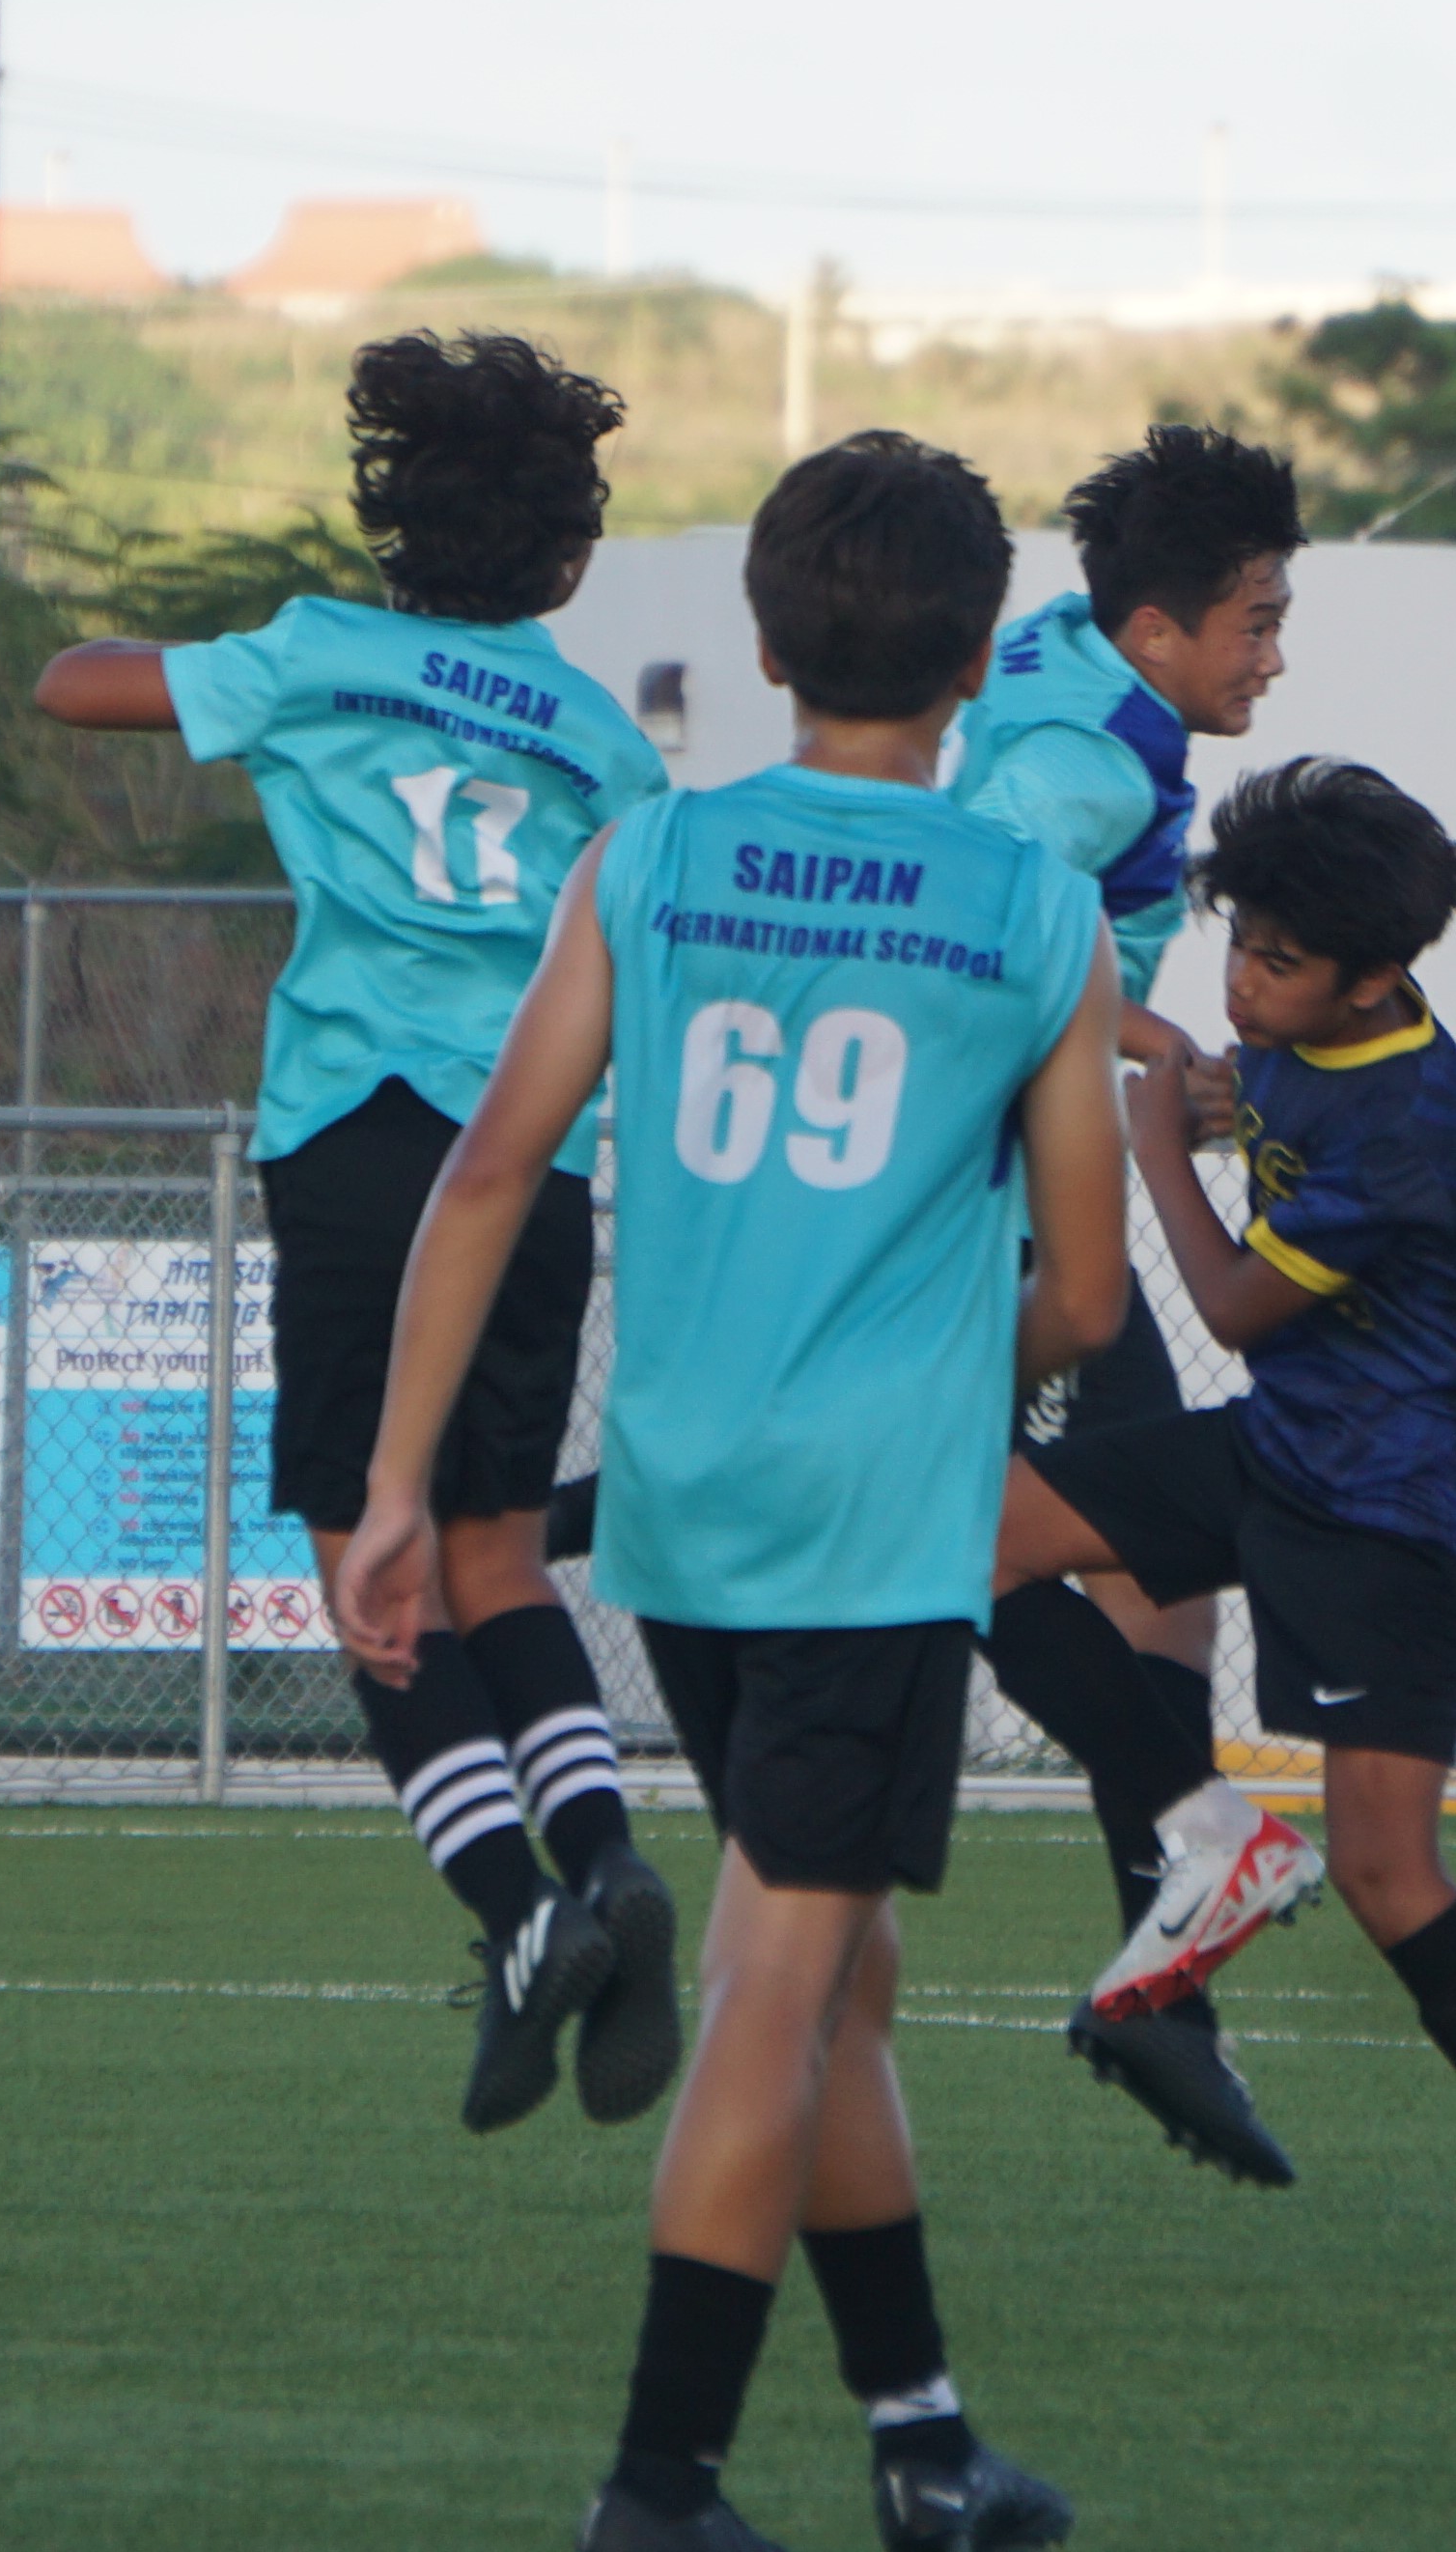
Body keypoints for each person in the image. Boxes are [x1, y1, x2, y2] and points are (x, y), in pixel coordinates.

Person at [340, 431, 1130, 2552]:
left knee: (834, 1963)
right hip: (872, 1525)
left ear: (766, 644)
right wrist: (960, 1376)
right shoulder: (1039, 908)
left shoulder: (652, 861)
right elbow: (1085, 1283)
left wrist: (401, 1480)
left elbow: (490, 1164)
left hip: (686, 1513)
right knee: (783, 1982)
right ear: (979, 656)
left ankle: (920, 2434)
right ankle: (658, 2484)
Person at [36, 328, 677, 2141]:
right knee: (494, 1557)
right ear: (565, 555)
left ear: (391, 518)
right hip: (532, 1155)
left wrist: (223, 659)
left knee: (365, 1564)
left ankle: (519, 1916)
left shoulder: (317, 655)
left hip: (356, 1146)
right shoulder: (594, 731)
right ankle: (611, 1859)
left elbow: (77, 689)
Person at [985, 757, 1456, 2316]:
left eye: (1277, 963)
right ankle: (1208, 1834)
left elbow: (1239, 1307)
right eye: (1237, 947)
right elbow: (1255, 1092)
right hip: (1298, 1444)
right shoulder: (1318, 1035)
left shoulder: (1407, 1107)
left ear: (1375, 974)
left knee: (1392, 1876)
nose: (1244, 983)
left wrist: (1158, 1154)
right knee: (957, 1539)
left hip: (1405, 1491)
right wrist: (1208, 1086)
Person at [951, 425, 1305, 2187]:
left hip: (1010, 1187)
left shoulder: (1065, 661)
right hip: (988, 1211)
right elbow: (982, 904)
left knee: (1138, 1577)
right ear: (1156, 627)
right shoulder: (1093, 759)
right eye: (1251, 620)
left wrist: (1134, 1047)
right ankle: (1189, 1877)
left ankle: (1170, 1968)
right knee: (951, 1542)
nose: (1270, 655)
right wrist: (1154, 1038)